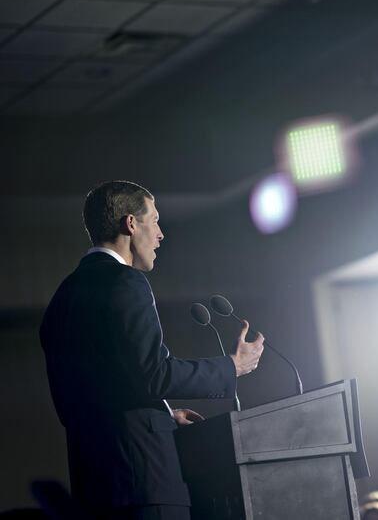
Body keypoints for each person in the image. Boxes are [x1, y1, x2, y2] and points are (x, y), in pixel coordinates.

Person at [40, 181, 265, 520]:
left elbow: (90, 393)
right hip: (145, 482)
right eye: (155, 220)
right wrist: (231, 367)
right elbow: (155, 374)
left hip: (93, 489)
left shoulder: (62, 298)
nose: (160, 234)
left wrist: (161, 416)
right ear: (131, 224)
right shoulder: (125, 282)